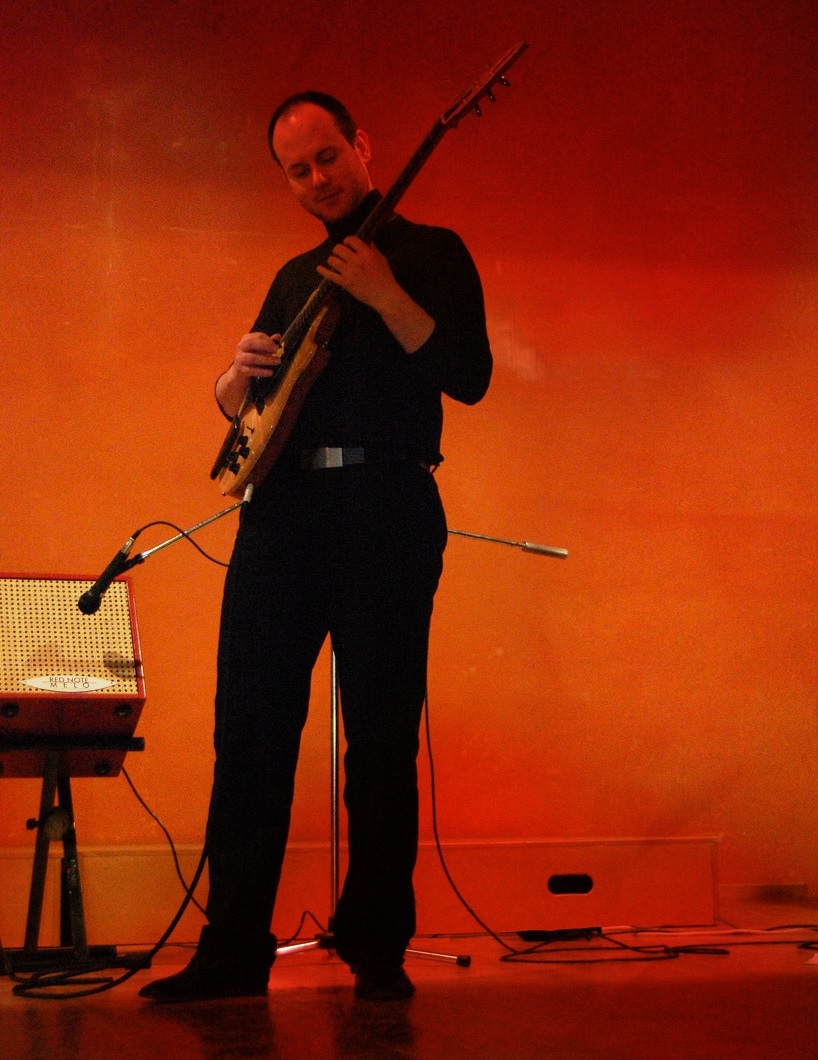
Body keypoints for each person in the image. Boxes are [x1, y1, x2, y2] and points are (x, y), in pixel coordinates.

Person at [139, 91, 492, 1003]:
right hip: (283, 514)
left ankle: (375, 946)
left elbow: (470, 374)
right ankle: (231, 953)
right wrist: (232, 378)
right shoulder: (296, 277)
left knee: (378, 738)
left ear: (362, 144)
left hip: (386, 505)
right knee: (248, 732)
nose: (317, 179)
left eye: (327, 156)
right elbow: (251, 414)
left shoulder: (431, 253)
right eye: (297, 170)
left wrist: (384, 292)